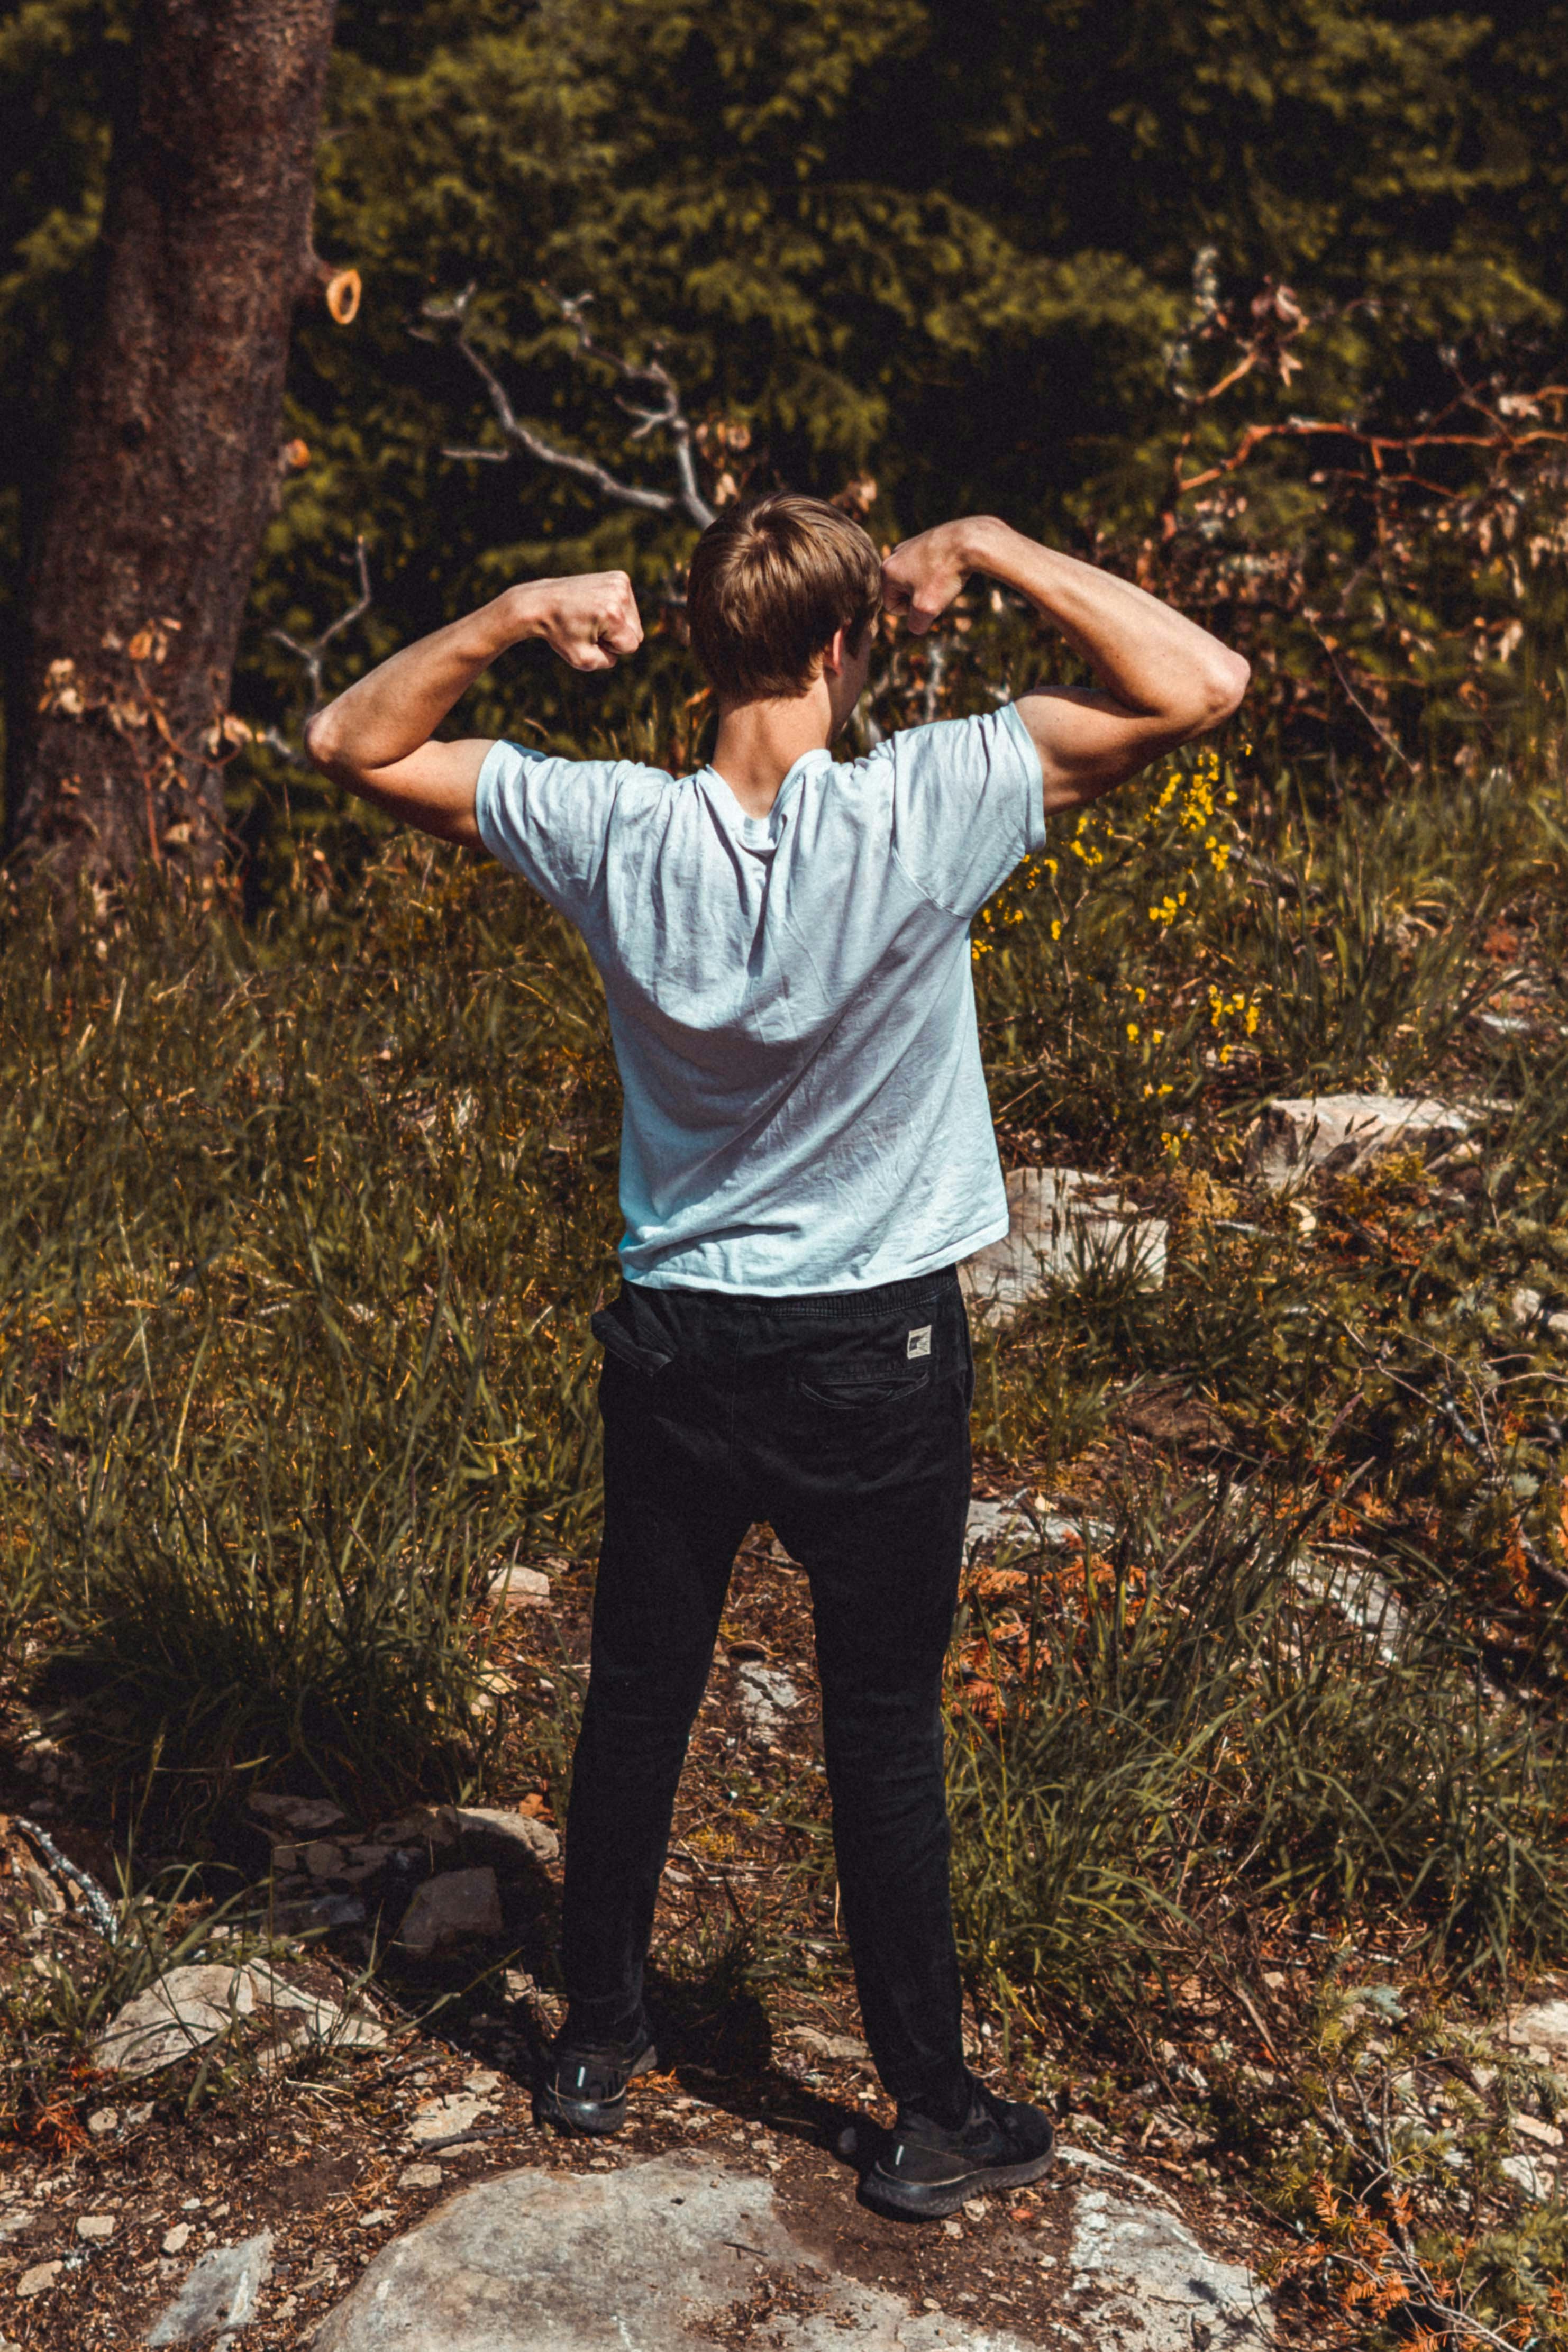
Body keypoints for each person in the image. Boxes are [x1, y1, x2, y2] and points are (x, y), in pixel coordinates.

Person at [306, 499, 1248, 2220]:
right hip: (877, 1357)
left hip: (677, 1349)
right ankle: (928, 2115)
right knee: (880, 1731)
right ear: (840, 646)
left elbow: (346, 741)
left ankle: (595, 2039)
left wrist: (515, 607)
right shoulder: (933, 799)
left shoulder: (607, 825)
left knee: (640, 1693)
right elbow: (1203, 684)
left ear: (701, 642)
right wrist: (994, 545)